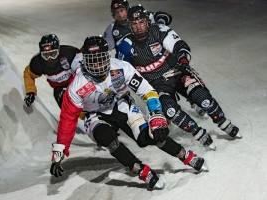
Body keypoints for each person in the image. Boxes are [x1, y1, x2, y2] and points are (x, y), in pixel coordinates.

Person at [49, 36, 208, 190]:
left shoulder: (122, 68)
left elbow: (146, 90)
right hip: (94, 115)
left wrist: (156, 113)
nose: (97, 65)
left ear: (108, 56)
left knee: (150, 136)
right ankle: (138, 168)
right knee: (105, 137)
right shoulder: (76, 86)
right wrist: (60, 148)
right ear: (84, 61)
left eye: (101, 59)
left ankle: (185, 155)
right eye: (92, 61)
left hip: (121, 104)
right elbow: (68, 119)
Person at [115, 5, 242, 150]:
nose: (138, 27)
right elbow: (123, 73)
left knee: (203, 99)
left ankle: (224, 123)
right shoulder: (125, 45)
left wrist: (183, 61)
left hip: (176, 72)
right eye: (134, 24)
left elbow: (179, 46)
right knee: (170, 110)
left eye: (141, 22)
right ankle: (198, 133)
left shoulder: (159, 31)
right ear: (129, 25)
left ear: (147, 21)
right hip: (157, 85)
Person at [23, 34, 83, 108]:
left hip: (76, 84)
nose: (49, 59)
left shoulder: (71, 54)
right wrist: (30, 91)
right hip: (59, 88)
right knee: (68, 108)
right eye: (46, 55)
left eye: (53, 54)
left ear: (58, 50)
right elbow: (28, 74)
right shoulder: (37, 63)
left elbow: (83, 69)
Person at [103, 0, 172, 51]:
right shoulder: (111, 28)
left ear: (127, 9)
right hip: (130, 63)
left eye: (122, 10)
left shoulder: (141, 16)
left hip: (154, 53)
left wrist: (159, 25)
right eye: (116, 12)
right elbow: (105, 47)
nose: (120, 14)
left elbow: (164, 16)